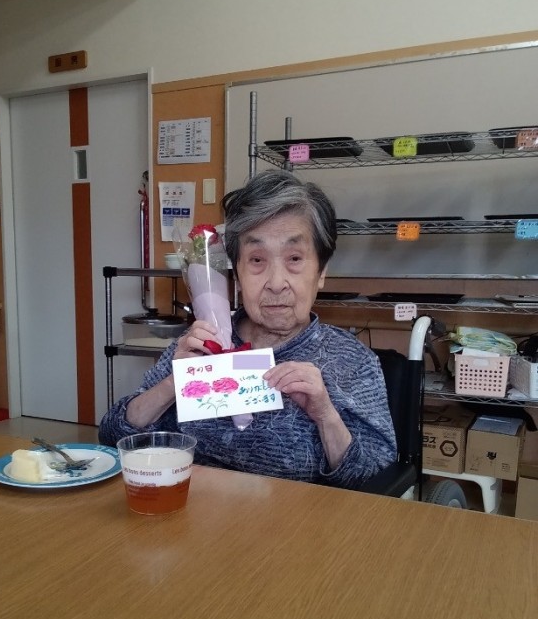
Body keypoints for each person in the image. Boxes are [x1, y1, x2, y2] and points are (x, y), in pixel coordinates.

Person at [99, 169, 396, 489]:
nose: (276, 283)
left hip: (294, 517)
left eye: (295, 258)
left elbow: (375, 476)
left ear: (321, 272)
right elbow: (113, 435)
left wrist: (325, 415)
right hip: (191, 509)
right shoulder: (201, 342)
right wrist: (175, 382)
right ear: (238, 276)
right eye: (256, 260)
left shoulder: (351, 361)